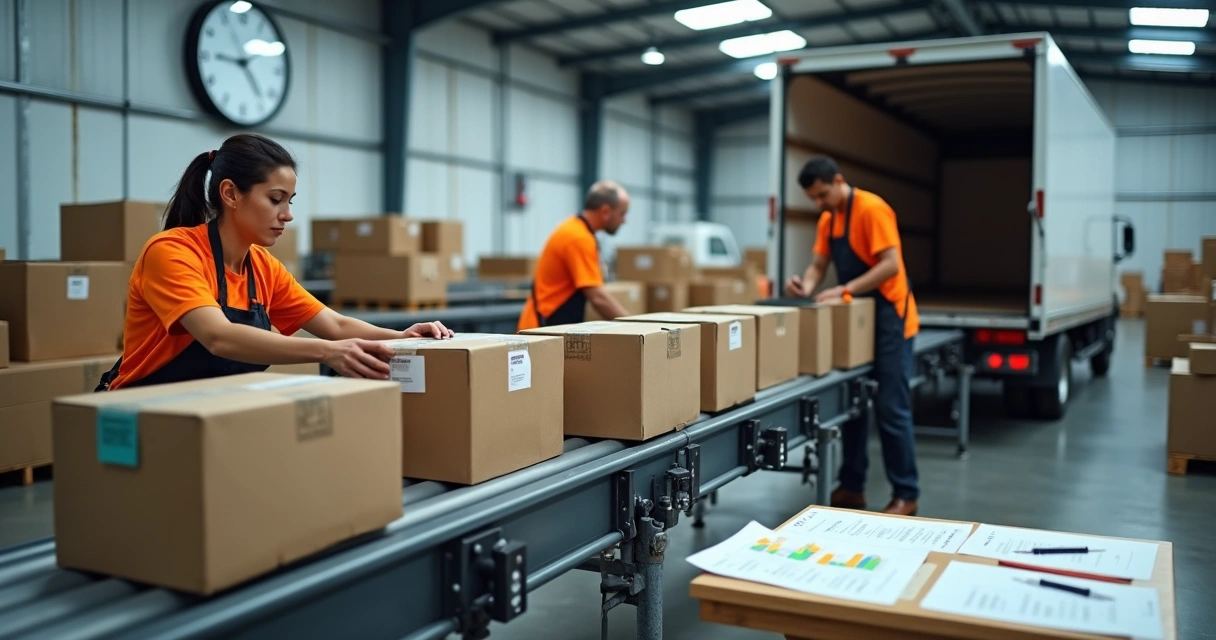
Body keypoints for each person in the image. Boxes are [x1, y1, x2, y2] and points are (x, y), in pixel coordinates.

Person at [97, 133, 452, 391]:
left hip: (208, 409)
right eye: (275, 199)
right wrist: (327, 353)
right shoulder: (172, 252)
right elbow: (218, 337)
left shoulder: (262, 268)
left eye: (290, 202)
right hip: (141, 412)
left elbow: (336, 326)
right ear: (231, 194)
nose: (287, 215)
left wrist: (401, 338)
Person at [785, 155, 920, 516]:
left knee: (890, 406)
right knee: (854, 403)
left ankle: (906, 493)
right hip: (860, 318)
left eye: (823, 194)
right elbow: (818, 265)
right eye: (813, 198)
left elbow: (890, 265)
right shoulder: (829, 220)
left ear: (839, 180)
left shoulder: (873, 210)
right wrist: (806, 285)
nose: (819, 203)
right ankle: (852, 487)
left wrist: (844, 290)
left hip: (891, 316)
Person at [517, 180, 633, 330]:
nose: (624, 220)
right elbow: (597, 298)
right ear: (605, 212)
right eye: (622, 213)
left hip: (547, 325)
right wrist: (633, 326)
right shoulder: (579, 238)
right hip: (542, 327)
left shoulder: (575, 228)